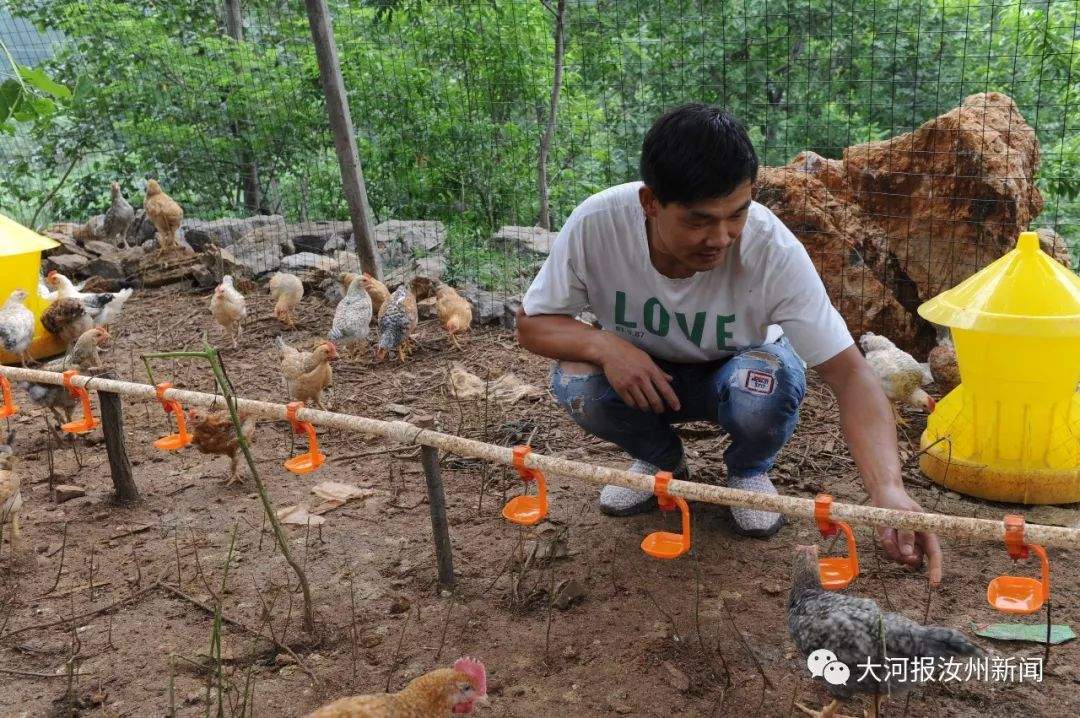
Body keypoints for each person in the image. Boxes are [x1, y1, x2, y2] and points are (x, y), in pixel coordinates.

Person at [516, 103, 943, 584]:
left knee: (763, 387)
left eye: (735, 214)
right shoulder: (598, 224)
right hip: (648, 374)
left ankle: (749, 469)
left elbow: (850, 374)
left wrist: (887, 489)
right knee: (580, 384)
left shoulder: (771, 247)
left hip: (741, 368)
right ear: (651, 202)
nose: (720, 238)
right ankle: (661, 461)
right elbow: (533, 324)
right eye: (698, 221)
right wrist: (607, 347)